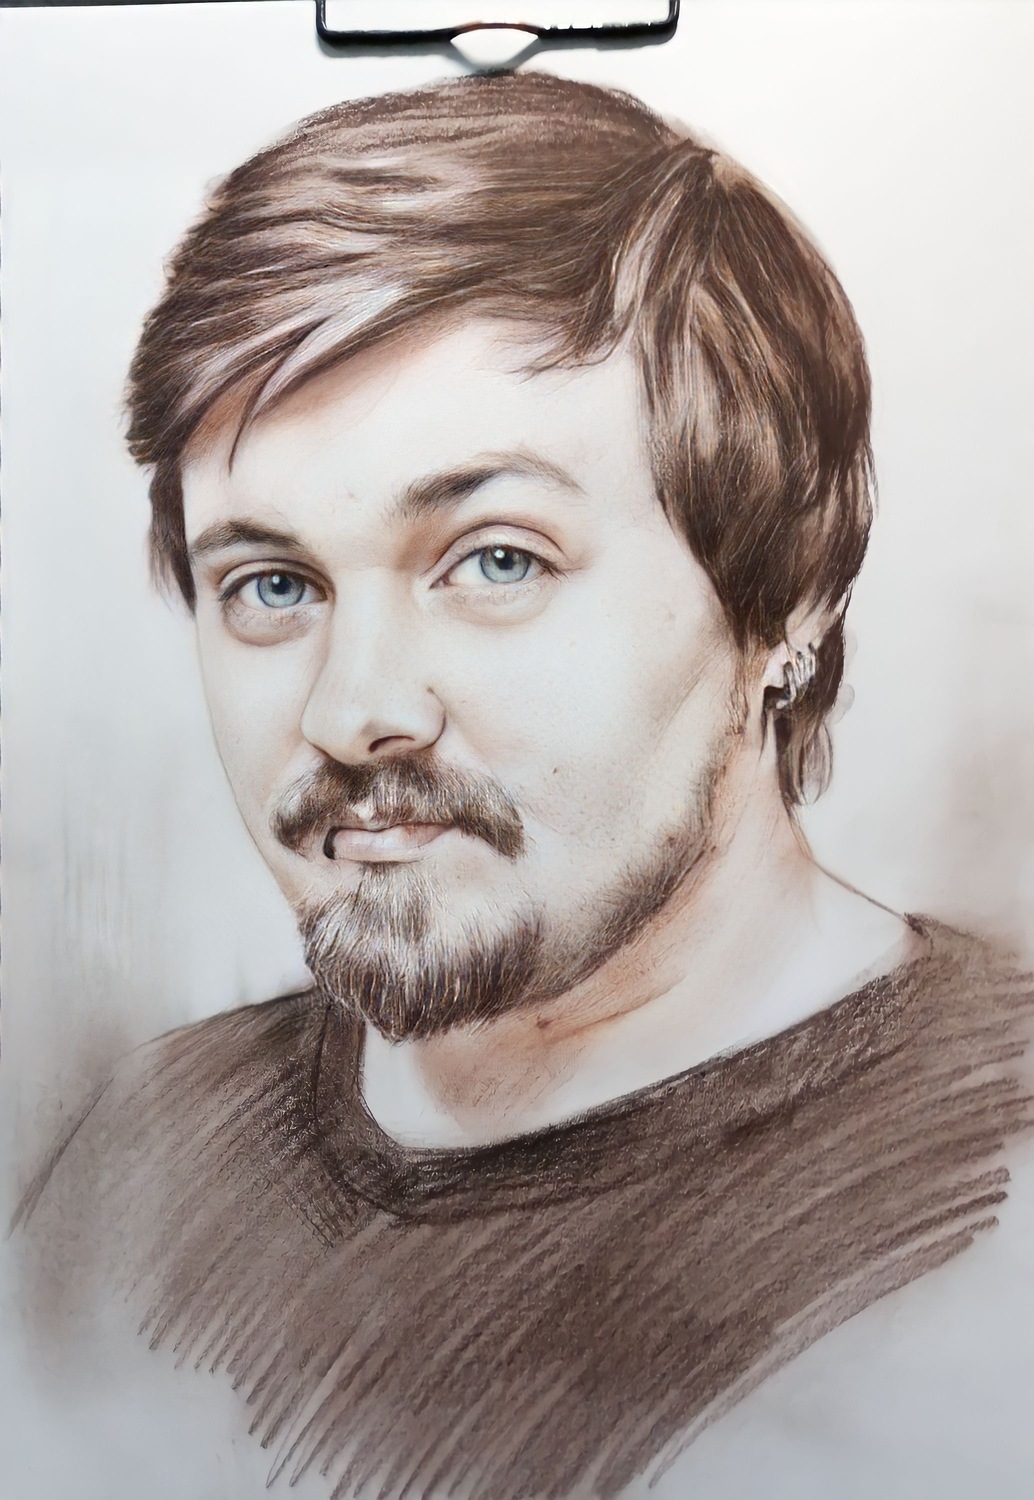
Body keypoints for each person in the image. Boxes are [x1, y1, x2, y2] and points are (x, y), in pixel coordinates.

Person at [16, 71, 1034, 1499]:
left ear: (786, 588)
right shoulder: (147, 1161)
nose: (354, 710)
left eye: (498, 560)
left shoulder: (996, 1177)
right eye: (271, 584)